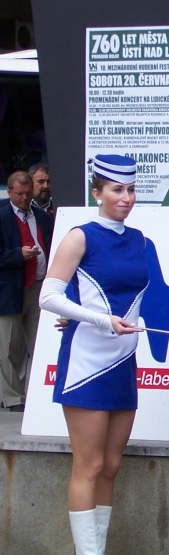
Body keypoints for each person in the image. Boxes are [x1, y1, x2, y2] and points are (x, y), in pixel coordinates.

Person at [37, 155, 147, 555]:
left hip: (123, 361)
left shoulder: (138, 239)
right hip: (86, 364)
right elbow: (49, 296)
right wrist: (96, 319)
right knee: (88, 465)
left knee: (111, 466)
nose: (126, 197)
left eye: (131, 190)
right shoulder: (79, 236)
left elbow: (125, 297)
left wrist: (115, 318)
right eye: (117, 190)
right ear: (97, 192)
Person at [0, 170, 52, 410]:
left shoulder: (41, 216)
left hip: (39, 286)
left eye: (28, 193)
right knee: (9, 346)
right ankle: (13, 398)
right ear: (9, 192)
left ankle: (41, 392)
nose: (24, 198)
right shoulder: (2, 217)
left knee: (40, 342)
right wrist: (17, 255)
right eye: (19, 194)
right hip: (10, 290)